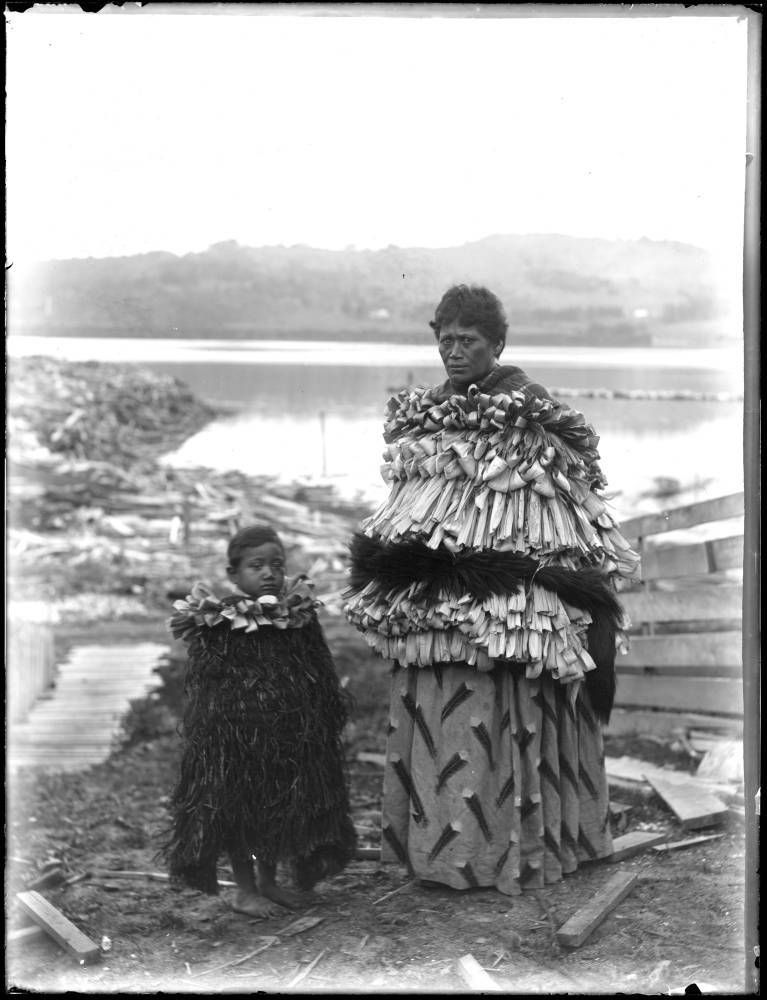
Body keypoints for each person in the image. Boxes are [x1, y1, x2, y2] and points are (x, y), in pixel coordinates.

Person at [345, 284, 639, 895]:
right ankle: (445, 850)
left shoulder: (530, 411)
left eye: (468, 341)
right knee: (442, 714)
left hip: (511, 611)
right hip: (439, 608)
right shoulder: (428, 415)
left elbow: (552, 513)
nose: (453, 352)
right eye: (446, 340)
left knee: (503, 714)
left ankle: (515, 850)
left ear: (497, 345)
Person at [162, 524, 356, 917]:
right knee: (241, 814)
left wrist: (323, 716)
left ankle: (269, 882)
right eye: (256, 566)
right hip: (237, 742)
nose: (269, 573)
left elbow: (318, 670)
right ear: (233, 574)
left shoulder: (297, 618)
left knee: (278, 809)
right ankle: (245, 889)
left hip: (288, 737)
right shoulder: (220, 623)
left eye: (277, 564)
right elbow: (208, 684)